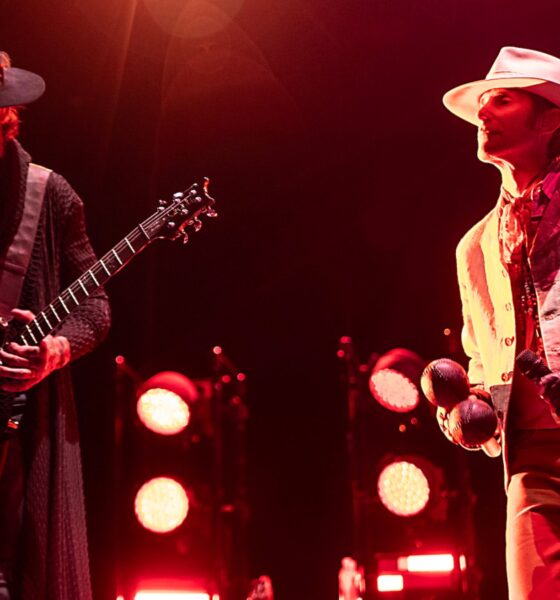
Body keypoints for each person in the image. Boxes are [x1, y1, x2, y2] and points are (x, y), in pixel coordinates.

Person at [438, 46, 560, 598]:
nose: (483, 114)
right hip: (532, 457)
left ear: (550, 118)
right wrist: (469, 407)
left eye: (502, 101)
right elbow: (482, 358)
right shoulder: (476, 246)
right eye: (483, 104)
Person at [0, 52, 110, 599]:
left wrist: (54, 351)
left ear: (6, 113)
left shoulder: (52, 195)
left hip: (15, 431)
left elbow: (96, 309)